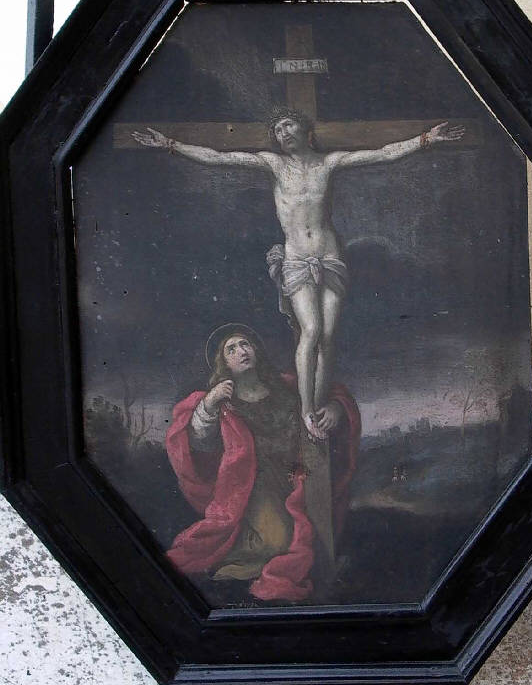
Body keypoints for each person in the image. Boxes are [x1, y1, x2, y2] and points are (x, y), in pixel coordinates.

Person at [133, 110, 464, 437]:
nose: (283, 133)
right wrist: (170, 144)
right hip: (296, 259)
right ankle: (306, 409)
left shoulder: (328, 163)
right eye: (277, 130)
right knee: (312, 329)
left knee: (328, 336)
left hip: (330, 256)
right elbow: (219, 158)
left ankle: (318, 405)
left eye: (288, 125)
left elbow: (383, 153)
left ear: (306, 132)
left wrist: (425, 139)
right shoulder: (274, 164)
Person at [165, 324, 361, 603]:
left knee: (317, 531)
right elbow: (197, 440)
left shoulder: (287, 385)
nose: (241, 351)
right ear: (223, 363)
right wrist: (209, 403)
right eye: (231, 349)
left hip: (299, 474)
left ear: (256, 350)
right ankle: (241, 559)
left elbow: (331, 394)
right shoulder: (223, 401)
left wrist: (335, 409)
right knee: (279, 542)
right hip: (256, 483)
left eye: (245, 344)